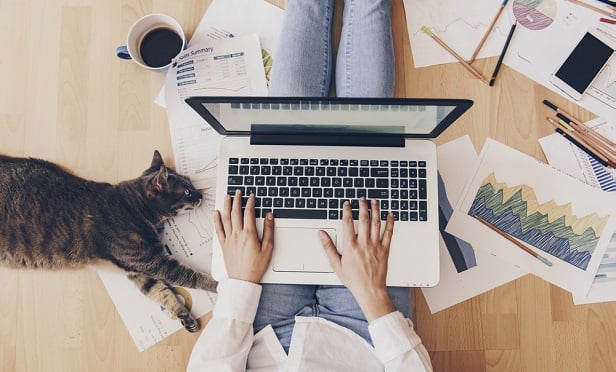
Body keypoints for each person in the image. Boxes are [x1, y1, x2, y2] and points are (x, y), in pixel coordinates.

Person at [187, 1, 432, 370]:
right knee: (369, 147)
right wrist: (375, 297)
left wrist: (239, 284)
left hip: (262, 335)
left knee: (287, 143)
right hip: (365, 336)